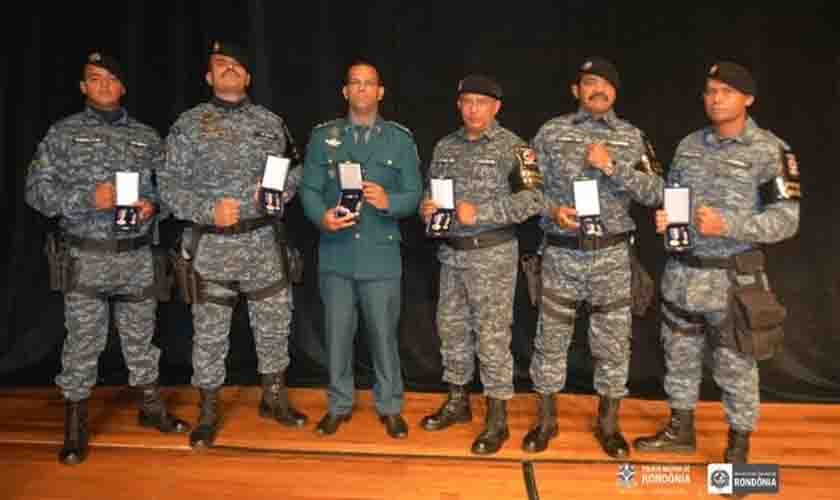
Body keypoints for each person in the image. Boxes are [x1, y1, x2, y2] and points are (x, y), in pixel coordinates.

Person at [25, 52, 188, 465]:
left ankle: (151, 407)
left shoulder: (148, 138)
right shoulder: (62, 135)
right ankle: (75, 425)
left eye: (110, 79)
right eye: (94, 79)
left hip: (135, 257)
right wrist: (87, 198)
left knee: (141, 340)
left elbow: (166, 191)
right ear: (83, 86)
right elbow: (37, 193)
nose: (103, 86)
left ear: (122, 87)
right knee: (82, 344)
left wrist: (154, 206)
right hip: (86, 257)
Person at [634, 62, 799, 466]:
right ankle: (681, 429)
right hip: (683, 273)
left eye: (726, 91)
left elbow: (787, 220)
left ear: (748, 99)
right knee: (679, 358)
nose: (715, 99)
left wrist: (729, 223)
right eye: (710, 91)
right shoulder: (690, 145)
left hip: (732, 281)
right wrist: (668, 219)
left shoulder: (769, 150)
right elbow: (675, 197)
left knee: (736, 366)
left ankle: (739, 450)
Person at [160, 40, 307, 449]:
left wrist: (278, 190)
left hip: (262, 242)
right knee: (209, 333)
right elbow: (167, 188)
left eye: (236, 65)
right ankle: (207, 409)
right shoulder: (188, 126)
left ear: (248, 77)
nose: (229, 69)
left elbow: (296, 171)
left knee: (274, 325)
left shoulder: (270, 122)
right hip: (212, 246)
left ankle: (274, 397)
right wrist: (207, 210)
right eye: (220, 64)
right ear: (208, 77)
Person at [527, 57, 662, 458]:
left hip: (611, 257)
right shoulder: (551, 133)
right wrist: (551, 211)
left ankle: (608, 424)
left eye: (605, 83)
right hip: (562, 254)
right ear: (576, 90)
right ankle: (545, 420)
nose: (597, 89)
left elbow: (657, 193)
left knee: (613, 346)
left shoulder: (633, 137)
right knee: (550, 342)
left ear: (615, 93)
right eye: (589, 82)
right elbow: (527, 189)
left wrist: (612, 166)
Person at [418, 75, 544, 455]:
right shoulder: (445, 146)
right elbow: (433, 190)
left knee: (491, 337)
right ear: (459, 105)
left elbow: (533, 200)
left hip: (492, 255)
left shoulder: (514, 148)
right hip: (451, 254)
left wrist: (483, 212)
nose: (473, 109)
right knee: (452, 330)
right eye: (467, 101)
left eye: (482, 102)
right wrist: (427, 207)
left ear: (496, 108)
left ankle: (497, 416)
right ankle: (458, 400)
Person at [300, 61, 421, 439]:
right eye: (356, 83)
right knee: (337, 336)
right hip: (337, 251)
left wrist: (388, 201)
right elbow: (309, 189)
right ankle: (339, 405)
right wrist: (323, 217)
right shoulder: (325, 137)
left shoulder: (399, 139)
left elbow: (415, 194)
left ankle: (390, 406)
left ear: (380, 92)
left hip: (380, 254)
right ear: (346, 91)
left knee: (384, 336)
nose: (363, 90)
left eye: (370, 84)